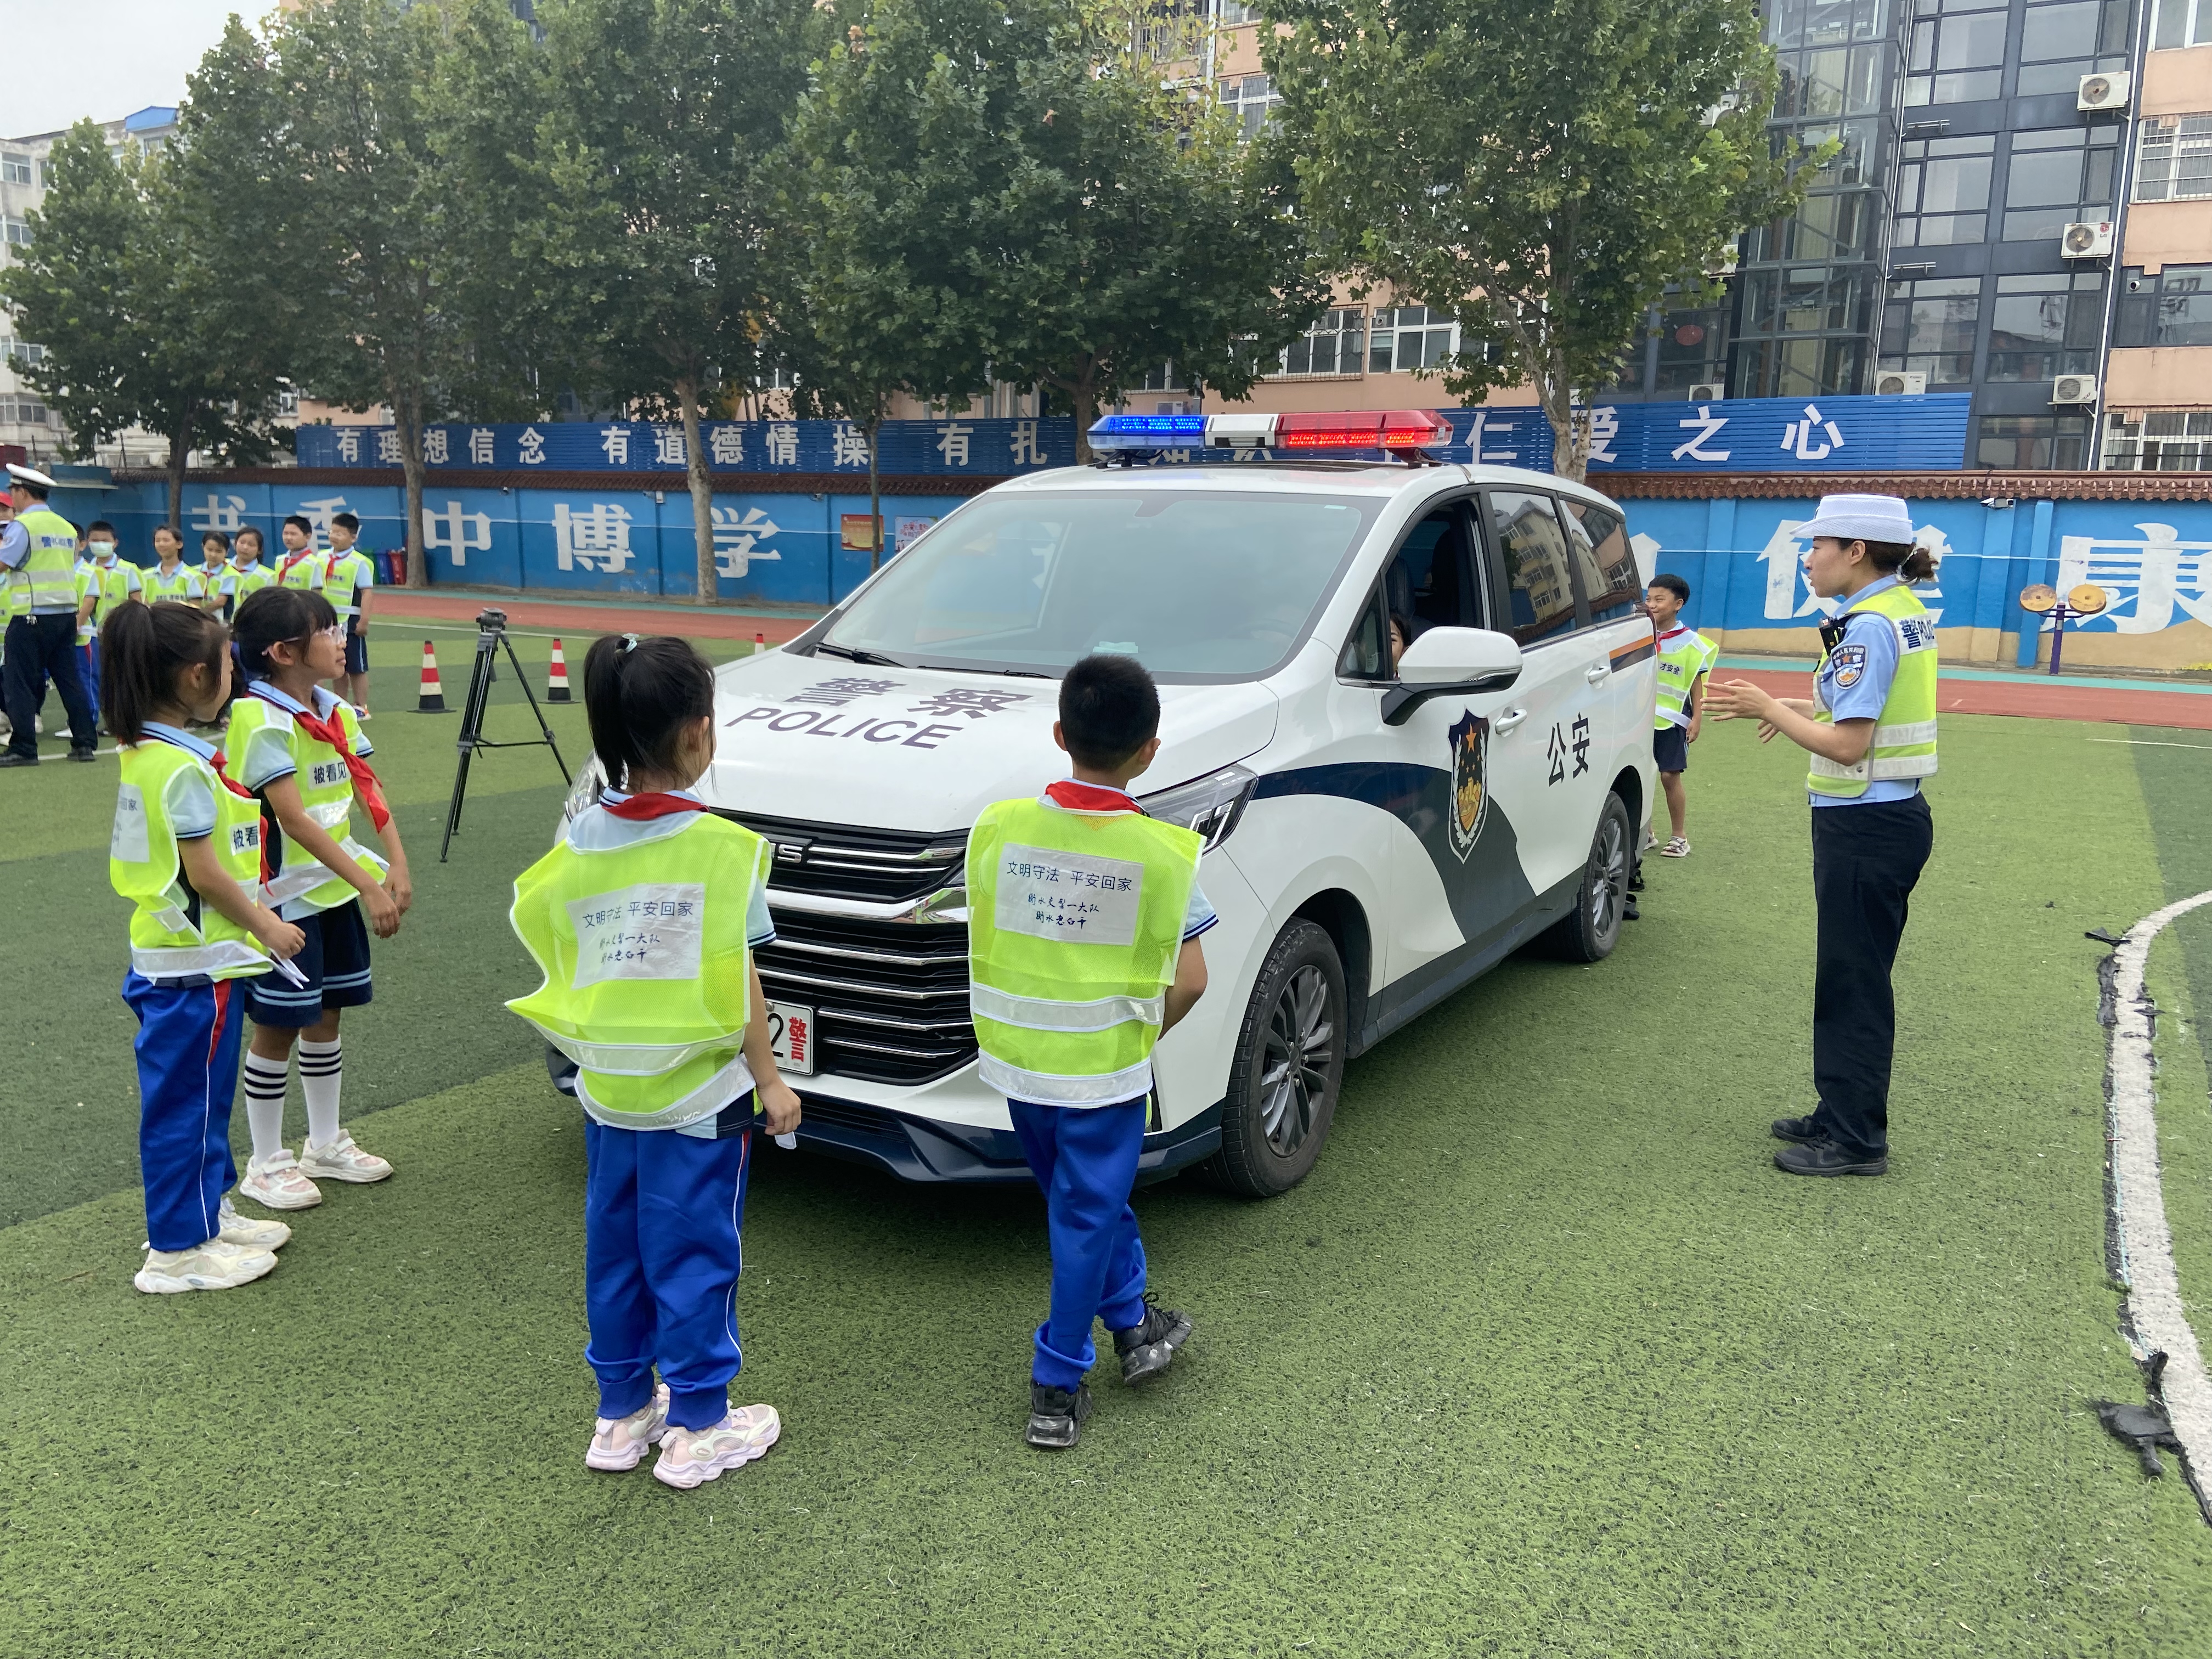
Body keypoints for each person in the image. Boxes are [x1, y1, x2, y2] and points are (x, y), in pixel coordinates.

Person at [506, 634, 799, 1489]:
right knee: (696, 1250)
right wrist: (772, 1081)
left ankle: (622, 1414)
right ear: (698, 734)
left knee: (618, 1250)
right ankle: (702, 1423)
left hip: (608, 1089)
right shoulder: (720, 849)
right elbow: (741, 979)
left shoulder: (582, 837)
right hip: (698, 1096)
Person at [966, 653, 1212, 1450]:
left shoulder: (998, 829)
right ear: (1150, 750)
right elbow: (1194, 979)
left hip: (1019, 1069)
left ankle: (1138, 1324)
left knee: (1084, 1208)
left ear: (1060, 734)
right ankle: (1057, 1382)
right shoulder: (1160, 853)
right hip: (1102, 1076)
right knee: (1084, 1213)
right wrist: (1135, 1042)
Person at [1702, 494, 1938, 1180]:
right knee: (1851, 975)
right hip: (1882, 819)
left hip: (1865, 824)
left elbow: (1847, 746)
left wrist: (1769, 704)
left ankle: (1857, 1139)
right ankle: (1839, 1109)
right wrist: (1806, 708)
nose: (1807, 559)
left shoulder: (1868, 625)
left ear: (1855, 551)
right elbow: (1861, 712)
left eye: (1816, 547)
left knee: (1853, 982)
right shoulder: (1899, 610)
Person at [103, 599, 307, 1291]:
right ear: (196, 677)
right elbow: (206, 874)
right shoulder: (183, 768)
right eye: (227, 665)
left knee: (202, 1100)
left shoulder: (153, 753)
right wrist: (267, 926)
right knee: (185, 1107)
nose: (235, 675)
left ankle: (207, 1211)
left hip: (186, 961)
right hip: (195, 966)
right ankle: (177, 1249)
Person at [224, 587, 409, 1209]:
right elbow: (294, 820)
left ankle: (324, 1143)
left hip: (333, 893)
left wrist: (396, 863)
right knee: (278, 1026)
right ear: (280, 653)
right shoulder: (259, 717)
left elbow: (366, 787)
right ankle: (266, 1160)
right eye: (327, 630)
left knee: (328, 1016)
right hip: (283, 902)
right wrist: (368, 882)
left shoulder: (334, 709)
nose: (340, 639)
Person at [0, 464, 101, 766]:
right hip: (65, 616)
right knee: (69, 679)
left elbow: (5, 564)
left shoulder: (23, 526)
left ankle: (24, 748)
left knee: (19, 683)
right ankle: (85, 743)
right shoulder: (64, 527)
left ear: (22, 492)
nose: (11, 498)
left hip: (31, 615)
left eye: (13, 492)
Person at [1645, 573, 1717, 859]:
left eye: (1659, 599)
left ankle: (1679, 837)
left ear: (1678, 604)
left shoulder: (1693, 643)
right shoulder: (1639, 636)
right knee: (1640, 776)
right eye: (1649, 598)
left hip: (1672, 721)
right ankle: (1646, 833)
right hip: (1638, 719)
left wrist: (1697, 718)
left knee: (1668, 776)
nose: (1652, 604)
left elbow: (1697, 685)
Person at [76, 521, 146, 729]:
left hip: (121, 632)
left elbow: (137, 601)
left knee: (124, 678)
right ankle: (107, 720)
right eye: (95, 541)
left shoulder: (128, 570)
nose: (100, 545)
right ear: (87, 543)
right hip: (94, 633)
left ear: (115, 543)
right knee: (101, 678)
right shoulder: (86, 569)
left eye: (105, 541)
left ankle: (128, 720)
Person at [323, 513, 376, 714]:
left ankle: (361, 707)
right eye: (332, 532)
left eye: (340, 534)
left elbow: (367, 593)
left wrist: (364, 621)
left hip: (351, 620)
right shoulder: (322, 558)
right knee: (337, 664)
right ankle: (341, 705)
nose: (334, 536)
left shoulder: (359, 562)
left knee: (356, 666)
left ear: (353, 538)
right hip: (329, 619)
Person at [142, 525, 206, 607]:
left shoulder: (192, 577)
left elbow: (195, 609)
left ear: (179, 544)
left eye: (166, 540)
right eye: (157, 541)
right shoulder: (145, 576)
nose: (161, 544)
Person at [274, 515, 326, 594]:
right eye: (286, 533)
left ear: (308, 537)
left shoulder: (314, 563)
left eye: (293, 534)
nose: (288, 538)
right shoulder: (280, 560)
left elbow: (317, 593)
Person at [229, 528, 275, 613]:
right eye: (242, 543)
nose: (245, 547)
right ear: (235, 544)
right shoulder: (221, 567)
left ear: (260, 550)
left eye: (251, 545)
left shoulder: (268, 576)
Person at [198, 531, 234, 616]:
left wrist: (200, 613)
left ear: (227, 552)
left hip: (220, 621)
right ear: (203, 547)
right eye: (210, 550)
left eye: (219, 551)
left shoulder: (231, 573)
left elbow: (220, 602)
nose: (213, 555)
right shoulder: (194, 571)